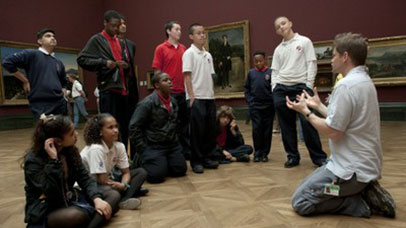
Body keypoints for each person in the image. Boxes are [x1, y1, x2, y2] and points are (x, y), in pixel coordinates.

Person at [287, 33, 396, 218]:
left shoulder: (346, 86)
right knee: (307, 187)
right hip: (353, 165)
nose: (331, 60)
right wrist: (318, 105)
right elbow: (344, 120)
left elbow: (333, 131)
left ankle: (358, 202)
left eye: (334, 55)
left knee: (301, 200)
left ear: (345, 57)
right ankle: (357, 191)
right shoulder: (364, 81)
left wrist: (306, 112)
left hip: (351, 172)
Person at [23, 114, 118, 228]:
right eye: (72, 134)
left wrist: (96, 199)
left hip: (70, 199)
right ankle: (96, 217)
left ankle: (94, 217)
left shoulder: (69, 151)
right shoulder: (33, 160)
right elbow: (51, 192)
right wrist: (54, 162)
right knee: (77, 216)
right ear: (58, 141)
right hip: (46, 209)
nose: (76, 135)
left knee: (112, 195)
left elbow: (85, 178)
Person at [271, 16, 327, 168]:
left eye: (283, 23)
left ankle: (319, 157)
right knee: (286, 126)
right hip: (281, 89)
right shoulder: (278, 49)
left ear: (290, 23)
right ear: (277, 31)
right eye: (278, 26)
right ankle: (292, 157)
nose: (281, 27)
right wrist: (274, 88)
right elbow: (275, 71)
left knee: (308, 122)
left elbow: (311, 64)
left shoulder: (304, 41)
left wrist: (308, 85)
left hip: (300, 87)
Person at [77, 10, 132, 151]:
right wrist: (104, 63)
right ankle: (109, 159)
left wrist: (124, 66)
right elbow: (82, 59)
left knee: (123, 127)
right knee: (108, 128)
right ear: (105, 23)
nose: (115, 29)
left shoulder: (121, 42)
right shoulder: (97, 40)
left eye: (118, 26)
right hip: (108, 90)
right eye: (113, 25)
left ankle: (122, 157)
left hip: (123, 90)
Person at [129, 72, 187, 183]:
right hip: (153, 145)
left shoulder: (174, 102)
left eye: (170, 80)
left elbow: (176, 124)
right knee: (156, 176)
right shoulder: (146, 103)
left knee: (180, 170)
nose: (170, 82)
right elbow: (134, 127)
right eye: (165, 80)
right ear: (156, 85)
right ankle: (143, 160)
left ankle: (163, 162)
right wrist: (143, 149)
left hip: (171, 145)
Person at [81, 114, 147, 210]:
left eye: (116, 127)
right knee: (113, 192)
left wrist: (123, 184)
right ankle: (125, 197)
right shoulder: (96, 149)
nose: (115, 130)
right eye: (110, 128)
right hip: (92, 184)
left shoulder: (119, 146)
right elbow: (101, 180)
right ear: (100, 132)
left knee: (141, 172)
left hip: (107, 179)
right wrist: (118, 185)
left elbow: (126, 172)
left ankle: (122, 200)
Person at [2, 28, 68, 119]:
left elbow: (64, 81)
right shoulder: (31, 54)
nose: (52, 38)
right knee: (48, 131)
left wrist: (64, 89)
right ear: (40, 41)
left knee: (63, 132)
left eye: (53, 36)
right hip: (42, 104)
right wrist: (25, 80)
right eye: (48, 36)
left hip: (60, 103)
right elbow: (7, 62)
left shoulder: (58, 62)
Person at [183, 23, 219, 174]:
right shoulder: (189, 53)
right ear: (191, 36)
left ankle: (208, 158)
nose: (202, 35)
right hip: (196, 97)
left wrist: (212, 94)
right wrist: (191, 96)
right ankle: (196, 161)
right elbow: (187, 75)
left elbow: (211, 76)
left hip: (209, 97)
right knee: (197, 132)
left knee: (209, 130)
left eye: (203, 33)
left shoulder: (208, 55)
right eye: (198, 33)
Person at [152, 21, 190, 159]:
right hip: (169, 93)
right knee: (170, 124)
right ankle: (172, 152)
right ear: (168, 31)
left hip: (183, 91)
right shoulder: (160, 48)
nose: (180, 31)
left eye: (180, 29)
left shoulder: (184, 48)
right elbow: (157, 71)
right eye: (177, 29)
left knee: (184, 124)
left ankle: (185, 152)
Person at [244, 51, 275, 162]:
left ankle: (265, 153)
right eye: (256, 61)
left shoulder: (270, 72)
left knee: (267, 130)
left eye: (260, 61)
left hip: (268, 106)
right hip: (255, 107)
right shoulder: (251, 73)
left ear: (265, 60)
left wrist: (272, 101)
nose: (258, 63)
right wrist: (250, 101)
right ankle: (257, 153)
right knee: (257, 130)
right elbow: (247, 89)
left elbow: (274, 88)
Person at [117, 16, 140, 159]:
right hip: (118, 88)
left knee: (134, 123)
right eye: (120, 23)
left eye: (125, 22)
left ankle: (136, 157)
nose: (124, 25)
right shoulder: (108, 43)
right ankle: (123, 158)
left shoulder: (130, 44)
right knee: (121, 126)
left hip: (131, 89)